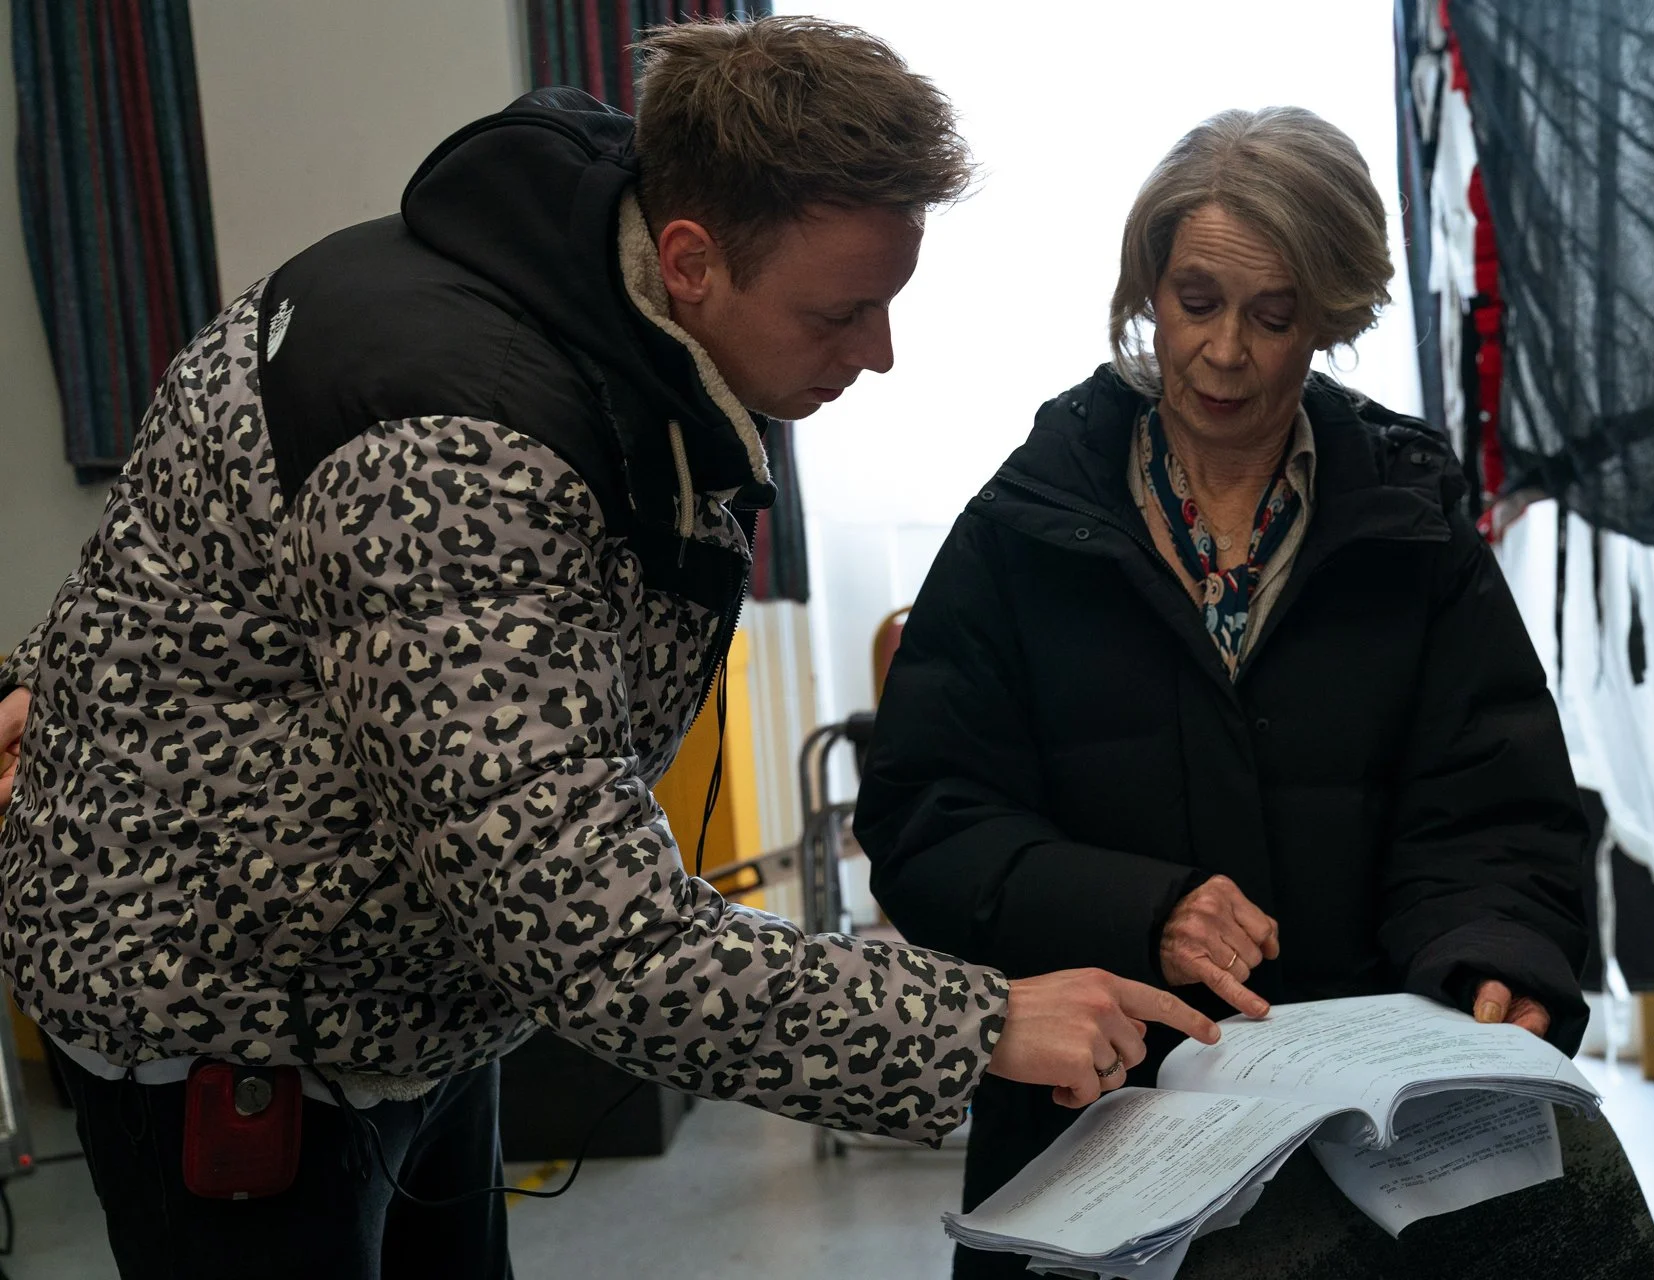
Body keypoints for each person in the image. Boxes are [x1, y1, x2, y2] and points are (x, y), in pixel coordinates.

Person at [0, 19, 1215, 1280]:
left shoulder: (582, 269)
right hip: (239, 1026)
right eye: (841, 312)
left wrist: (58, 667)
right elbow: (602, 939)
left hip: (410, 989)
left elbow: (204, 537)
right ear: (688, 259)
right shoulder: (450, 450)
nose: (877, 351)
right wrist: (976, 1023)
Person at [854, 106, 1654, 1277]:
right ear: (1147, 288)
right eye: (1195, 301)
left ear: (1333, 315)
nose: (1225, 352)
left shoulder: (1409, 521)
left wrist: (1494, 952)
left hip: (1375, 1133)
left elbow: (1495, 806)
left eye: (1273, 315)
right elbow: (929, 823)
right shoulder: (1027, 525)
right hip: (1106, 1108)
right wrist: (1143, 906)